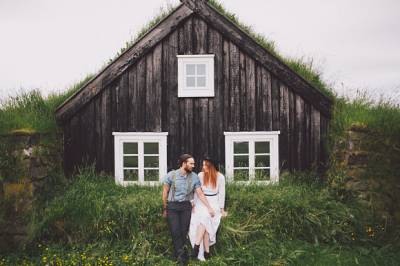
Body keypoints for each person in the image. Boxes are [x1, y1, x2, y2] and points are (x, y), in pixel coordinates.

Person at [162, 154, 216, 266]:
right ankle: (182, 257)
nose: (193, 165)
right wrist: (165, 208)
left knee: (183, 231)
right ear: (184, 163)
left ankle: (180, 255)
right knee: (175, 231)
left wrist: (209, 207)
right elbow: (165, 192)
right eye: (191, 163)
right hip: (172, 206)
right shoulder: (171, 175)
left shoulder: (194, 177)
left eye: (193, 163)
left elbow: (200, 194)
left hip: (186, 207)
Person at [189, 157, 227, 261]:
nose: (203, 167)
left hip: (214, 201)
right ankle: (206, 252)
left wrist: (221, 209)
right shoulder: (200, 175)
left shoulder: (220, 177)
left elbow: (222, 194)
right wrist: (193, 204)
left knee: (205, 217)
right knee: (203, 219)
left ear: (212, 167)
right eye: (203, 165)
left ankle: (196, 247)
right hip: (201, 201)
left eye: (206, 165)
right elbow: (197, 191)